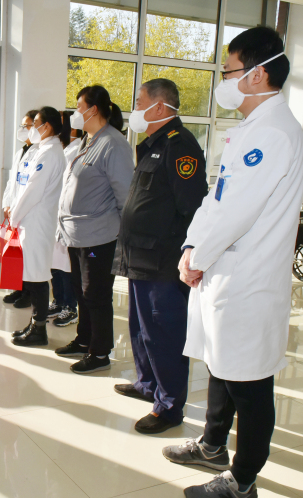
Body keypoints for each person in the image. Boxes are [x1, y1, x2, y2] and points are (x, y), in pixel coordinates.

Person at [162, 27, 303, 498]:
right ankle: (212, 445)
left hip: (248, 278)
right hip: (225, 268)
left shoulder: (271, 132)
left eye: (229, 71)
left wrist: (196, 257)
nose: (223, 80)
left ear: (258, 74)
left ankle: (242, 482)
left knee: (249, 382)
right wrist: (193, 247)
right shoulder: (252, 128)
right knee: (221, 367)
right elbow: (216, 199)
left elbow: (238, 210)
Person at [111, 79, 207, 434]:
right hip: (139, 256)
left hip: (162, 261)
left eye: (140, 102)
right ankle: (147, 383)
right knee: (140, 328)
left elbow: (193, 207)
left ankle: (169, 407)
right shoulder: (153, 145)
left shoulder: (180, 146)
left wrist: (187, 255)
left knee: (163, 334)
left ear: (160, 107)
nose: (135, 109)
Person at [56, 85, 133, 374]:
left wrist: (125, 236)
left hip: (99, 236)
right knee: (81, 291)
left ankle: (100, 353)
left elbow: (125, 195)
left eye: (79, 108)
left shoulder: (113, 144)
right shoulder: (89, 140)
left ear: (94, 110)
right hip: (77, 235)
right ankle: (84, 339)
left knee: (95, 294)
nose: (75, 114)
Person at [7, 107, 68, 346]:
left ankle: (39, 330)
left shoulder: (50, 153)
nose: (30, 129)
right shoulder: (40, 150)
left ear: (47, 126)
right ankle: (34, 324)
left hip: (37, 221)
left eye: (34, 125)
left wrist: (14, 217)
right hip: (29, 220)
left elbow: (33, 190)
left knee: (37, 276)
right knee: (32, 275)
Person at [47, 111, 82, 328]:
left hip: (68, 216)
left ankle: (70, 306)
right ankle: (59, 300)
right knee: (56, 262)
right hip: (56, 214)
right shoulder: (64, 149)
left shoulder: (76, 149)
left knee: (67, 264)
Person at [1, 109, 38, 309]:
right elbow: (11, 183)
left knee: (28, 256)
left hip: (27, 213)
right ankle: (18, 287)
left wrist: (16, 209)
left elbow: (30, 188)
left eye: (27, 125)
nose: (23, 129)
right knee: (16, 253)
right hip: (14, 210)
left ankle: (29, 293)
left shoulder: (39, 153)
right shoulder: (21, 152)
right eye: (22, 125)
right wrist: (7, 204)